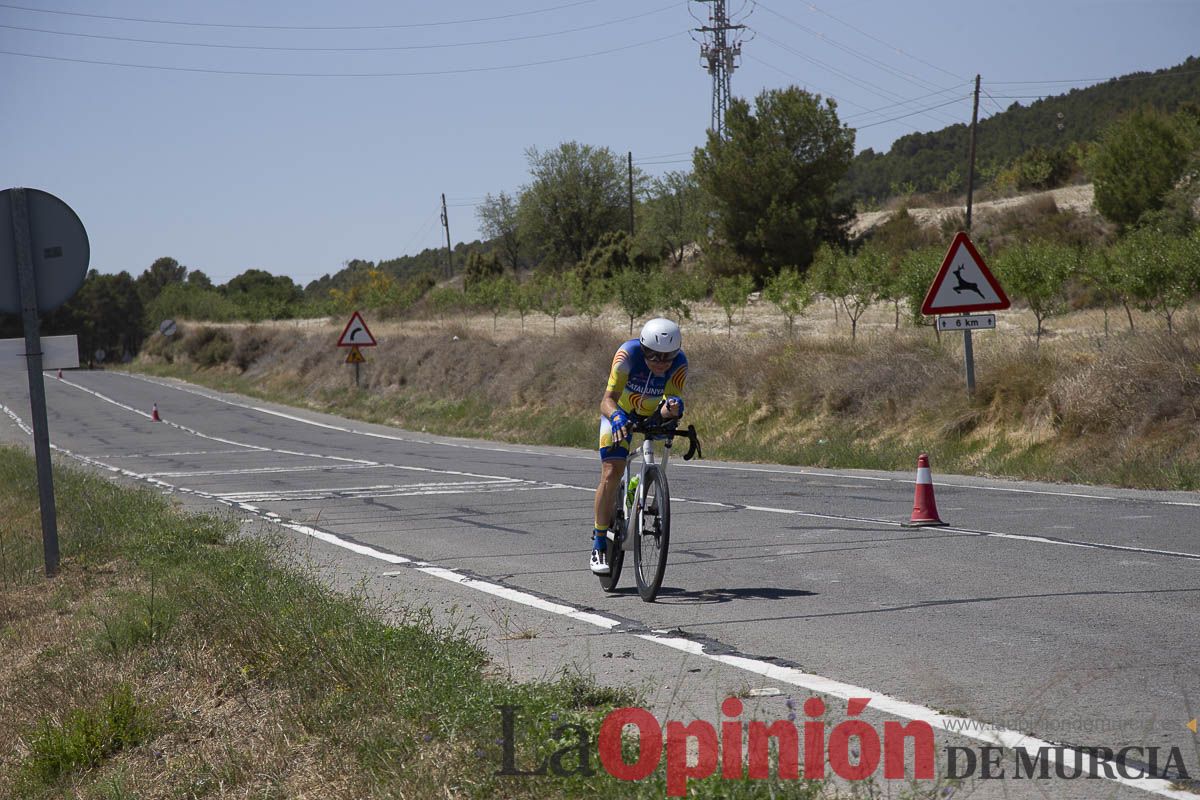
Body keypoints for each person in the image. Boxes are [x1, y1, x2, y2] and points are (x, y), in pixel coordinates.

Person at [591, 317, 687, 574]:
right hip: (619, 412)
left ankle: (637, 488)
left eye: (667, 357)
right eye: (653, 356)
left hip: (649, 414)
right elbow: (606, 400)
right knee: (612, 471)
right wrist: (617, 416)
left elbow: (672, 398)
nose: (660, 363)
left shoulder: (679, 364)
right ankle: (599, 543)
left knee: (660, 446)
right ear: (643, 348)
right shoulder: (627, 355)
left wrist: (674, 407)